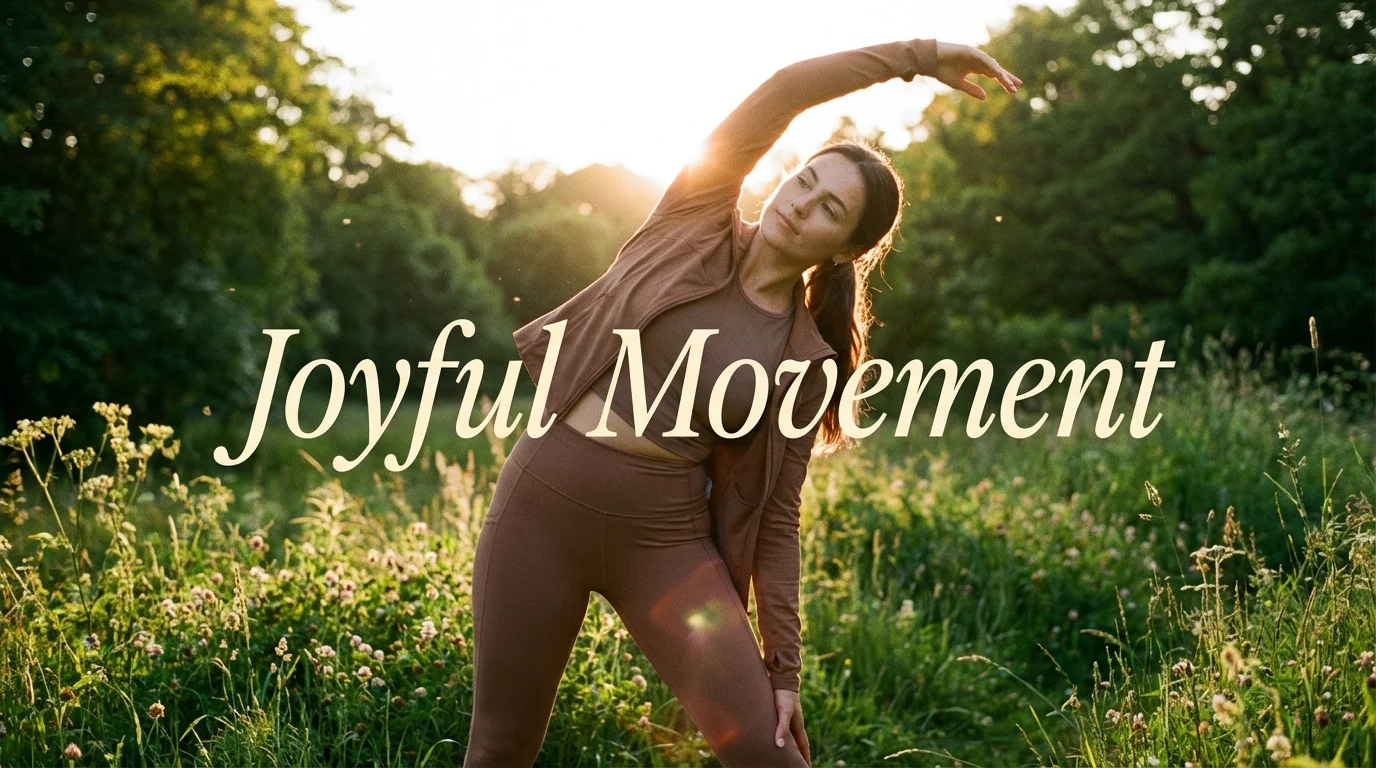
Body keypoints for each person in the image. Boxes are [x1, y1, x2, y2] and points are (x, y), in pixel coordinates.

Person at [463, 36, 1020, 768]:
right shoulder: (692, 219)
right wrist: (917, 56)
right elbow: (784, 89)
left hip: (662, 541)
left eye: (829, 210)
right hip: (543, 503)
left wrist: (783, 671)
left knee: (768, 752)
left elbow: (780, 519)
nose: (801, 205)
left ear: (842, 247)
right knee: (501, 748)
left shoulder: (805, 360)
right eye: (806, 182)